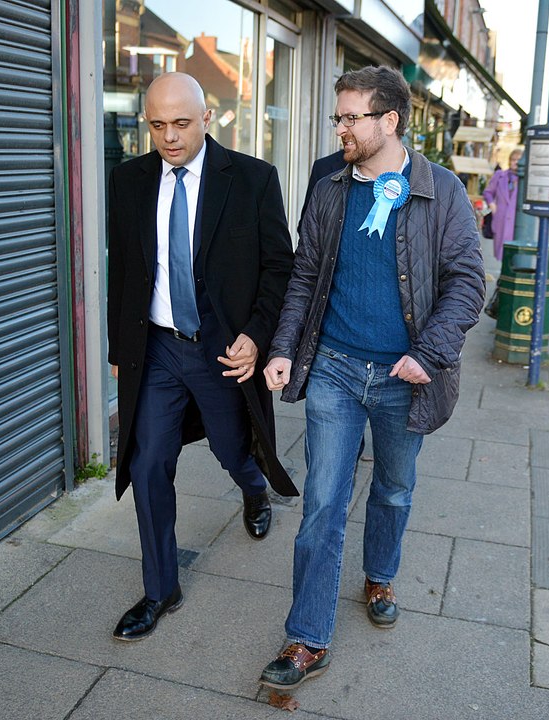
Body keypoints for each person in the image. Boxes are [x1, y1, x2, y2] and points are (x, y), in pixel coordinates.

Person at [257, 66, 486, 690]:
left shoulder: (440, 191)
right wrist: (283, 348)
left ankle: (380, 573)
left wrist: (430, 353)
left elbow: (469, 283)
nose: (341, 128)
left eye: (351, 116)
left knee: (392, 488)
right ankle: (308, 638)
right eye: (338, 117)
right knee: (322, 506)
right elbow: (306, 273)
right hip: (331, 366)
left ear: (390, 121)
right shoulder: (328, 184)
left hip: (402, 377)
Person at [106, 72, 297, 642]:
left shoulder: (253, 179)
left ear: (208, 117)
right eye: (157, 125)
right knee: (146, 463)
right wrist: (121, 348)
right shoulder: (129, 180)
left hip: (221, 350)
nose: (168, 136)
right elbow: (126, 268)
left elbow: (279, 269)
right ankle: (161, 588)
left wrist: (257, 336)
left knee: (233, 448)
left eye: (181, 123)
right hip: (159, 348)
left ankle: (253, 487)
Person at [482, 147, 523, 262]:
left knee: (515, 255)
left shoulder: (525, 179)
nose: (515, 162)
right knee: (502, 254)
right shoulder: (500, 176)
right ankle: (503, 276)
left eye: (518, 160)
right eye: (513, 159)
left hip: (517, 221)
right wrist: (492, 205)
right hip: (501, 219)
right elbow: (488, 192)